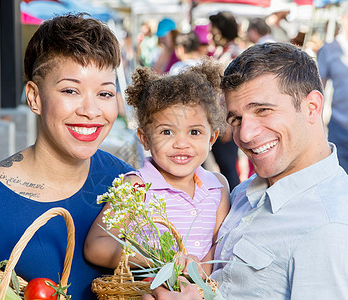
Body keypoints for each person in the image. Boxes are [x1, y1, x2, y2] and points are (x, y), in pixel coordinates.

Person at [0, 13, 134, 299]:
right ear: (34, 97)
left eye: (104, 94)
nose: (91, 111)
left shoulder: (124, 183)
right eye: (70, 90)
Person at [142, 42, 348, 299]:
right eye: (236, 119)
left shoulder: (331, 227)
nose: (246, 134)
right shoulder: (244, 192)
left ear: (312, 108)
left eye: (263, 110)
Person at [84, 57, 231, 277]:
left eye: (194, 132)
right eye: (166, 132)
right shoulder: (136, 186)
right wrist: (160, 257)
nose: (181, 143)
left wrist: (201, 271)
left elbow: (221, 243)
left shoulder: (218, 186)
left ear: (212, 138)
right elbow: (95, 246)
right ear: (144, 138)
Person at [207, 11, 242, 190]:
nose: (210, 33)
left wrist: (228, 123)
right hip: (218, 120)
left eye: (213, 29)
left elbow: (233, 91)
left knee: (228, 168)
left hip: (225, 122)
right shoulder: (222, 51)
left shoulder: (235, 54)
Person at [317, 2, 348, 173]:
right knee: (341, 178)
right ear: (344, 19)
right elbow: (317, 88)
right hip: (340, 126)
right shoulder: (330, 50)